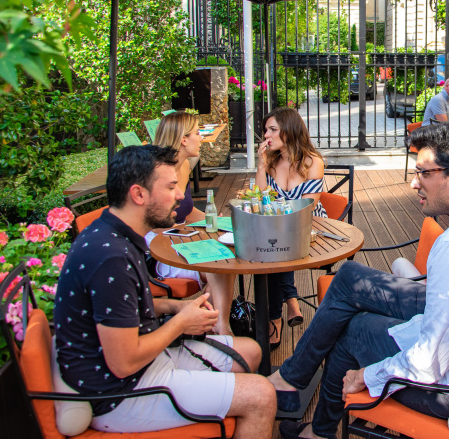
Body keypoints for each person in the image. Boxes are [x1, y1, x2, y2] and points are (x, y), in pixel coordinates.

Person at [268, 123, 449, 439]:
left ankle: (319, 431)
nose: (413, 183)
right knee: (348, 277)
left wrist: (367, 375)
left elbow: (430, 363)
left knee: (352, 329)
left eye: (423, 173)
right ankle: (293, 378)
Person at [53, 145, 276, 435]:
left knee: (251, 350)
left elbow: (119, 309)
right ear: (139, 194)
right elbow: (123, 362)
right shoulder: (110, 258)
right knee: (262, 394)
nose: (181, 195)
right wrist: (182, 323)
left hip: (144, 364)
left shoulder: (113, 235)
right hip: (119, 392)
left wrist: (174, 307)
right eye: (171, 187)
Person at [151, 112, 234, 336]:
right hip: (158, 247)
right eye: (198, 132)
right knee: (218, 263)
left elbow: (185, 211)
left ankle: (217, 322)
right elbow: (154, 222)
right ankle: (221, 328)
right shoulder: (155, 172)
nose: (202, 137)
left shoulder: (185, 166)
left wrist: (225, 222)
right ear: (183, 139)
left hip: (178, 236)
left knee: (225, 260)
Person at [255, 107, 326, 350]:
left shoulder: (312, 162)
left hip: (307, 226)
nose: (267, 135)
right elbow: (260, 197)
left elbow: (307, 206)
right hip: (276, 225)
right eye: (266, 130)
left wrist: (275, 216)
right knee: (271, 249)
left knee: (272, 253)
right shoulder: (272, 162)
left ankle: (274, 317)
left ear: (290, 130)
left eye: (273, 130)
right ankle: (289, 300)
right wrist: (261, 166)